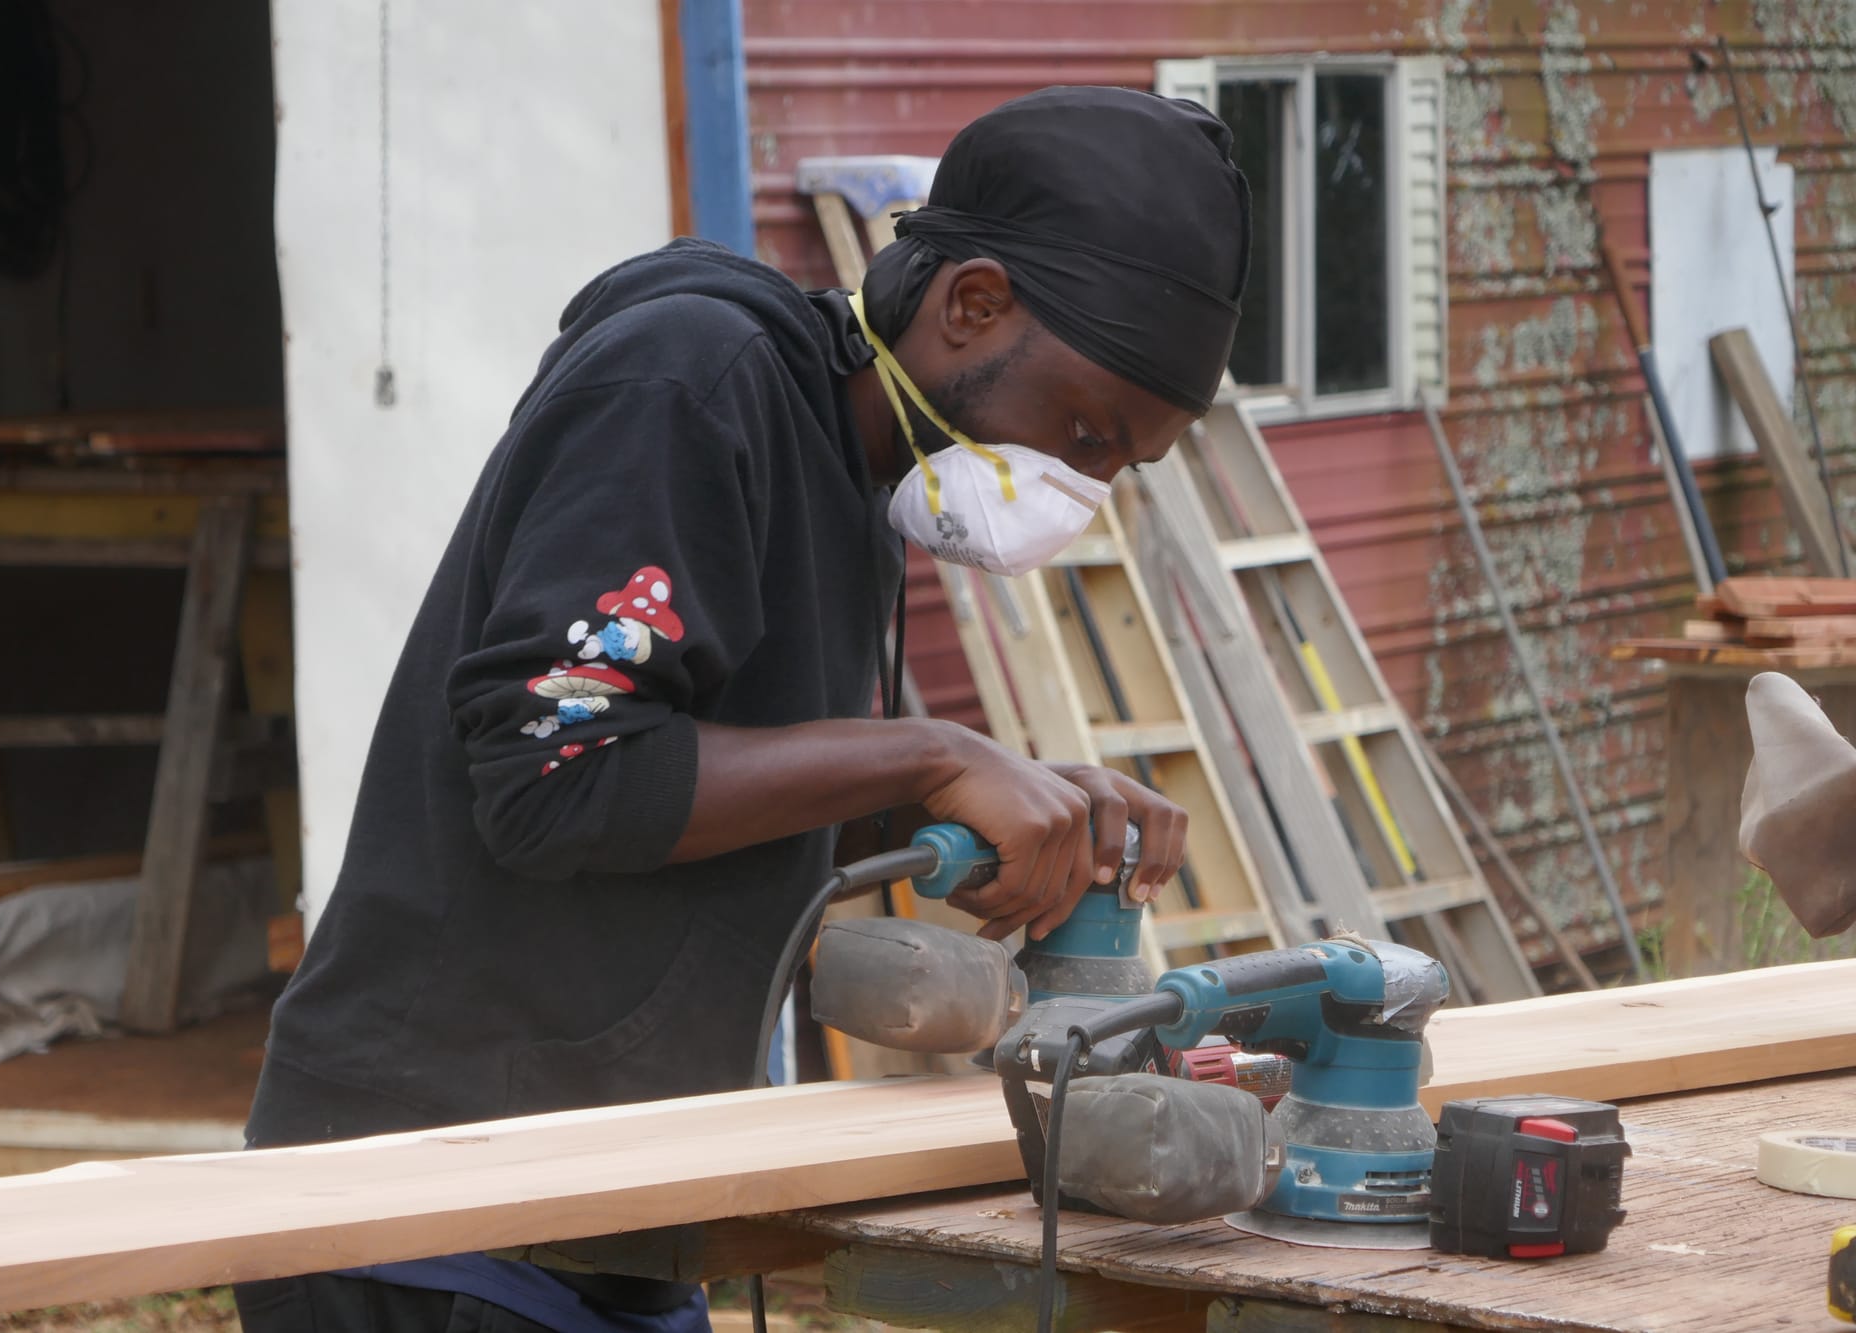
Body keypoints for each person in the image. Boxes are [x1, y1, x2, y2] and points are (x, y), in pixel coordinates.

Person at [233, 84, 1252, 1333]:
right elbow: (554, 777)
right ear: (971, 304)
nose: (1083, 483)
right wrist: (929, 755)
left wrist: (1006, 804)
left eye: (1119, 463)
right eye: (1085, 429)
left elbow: (725, 802)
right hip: (426, 1208)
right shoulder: (687, 382)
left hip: (615, 1212)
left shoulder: (853, 476)